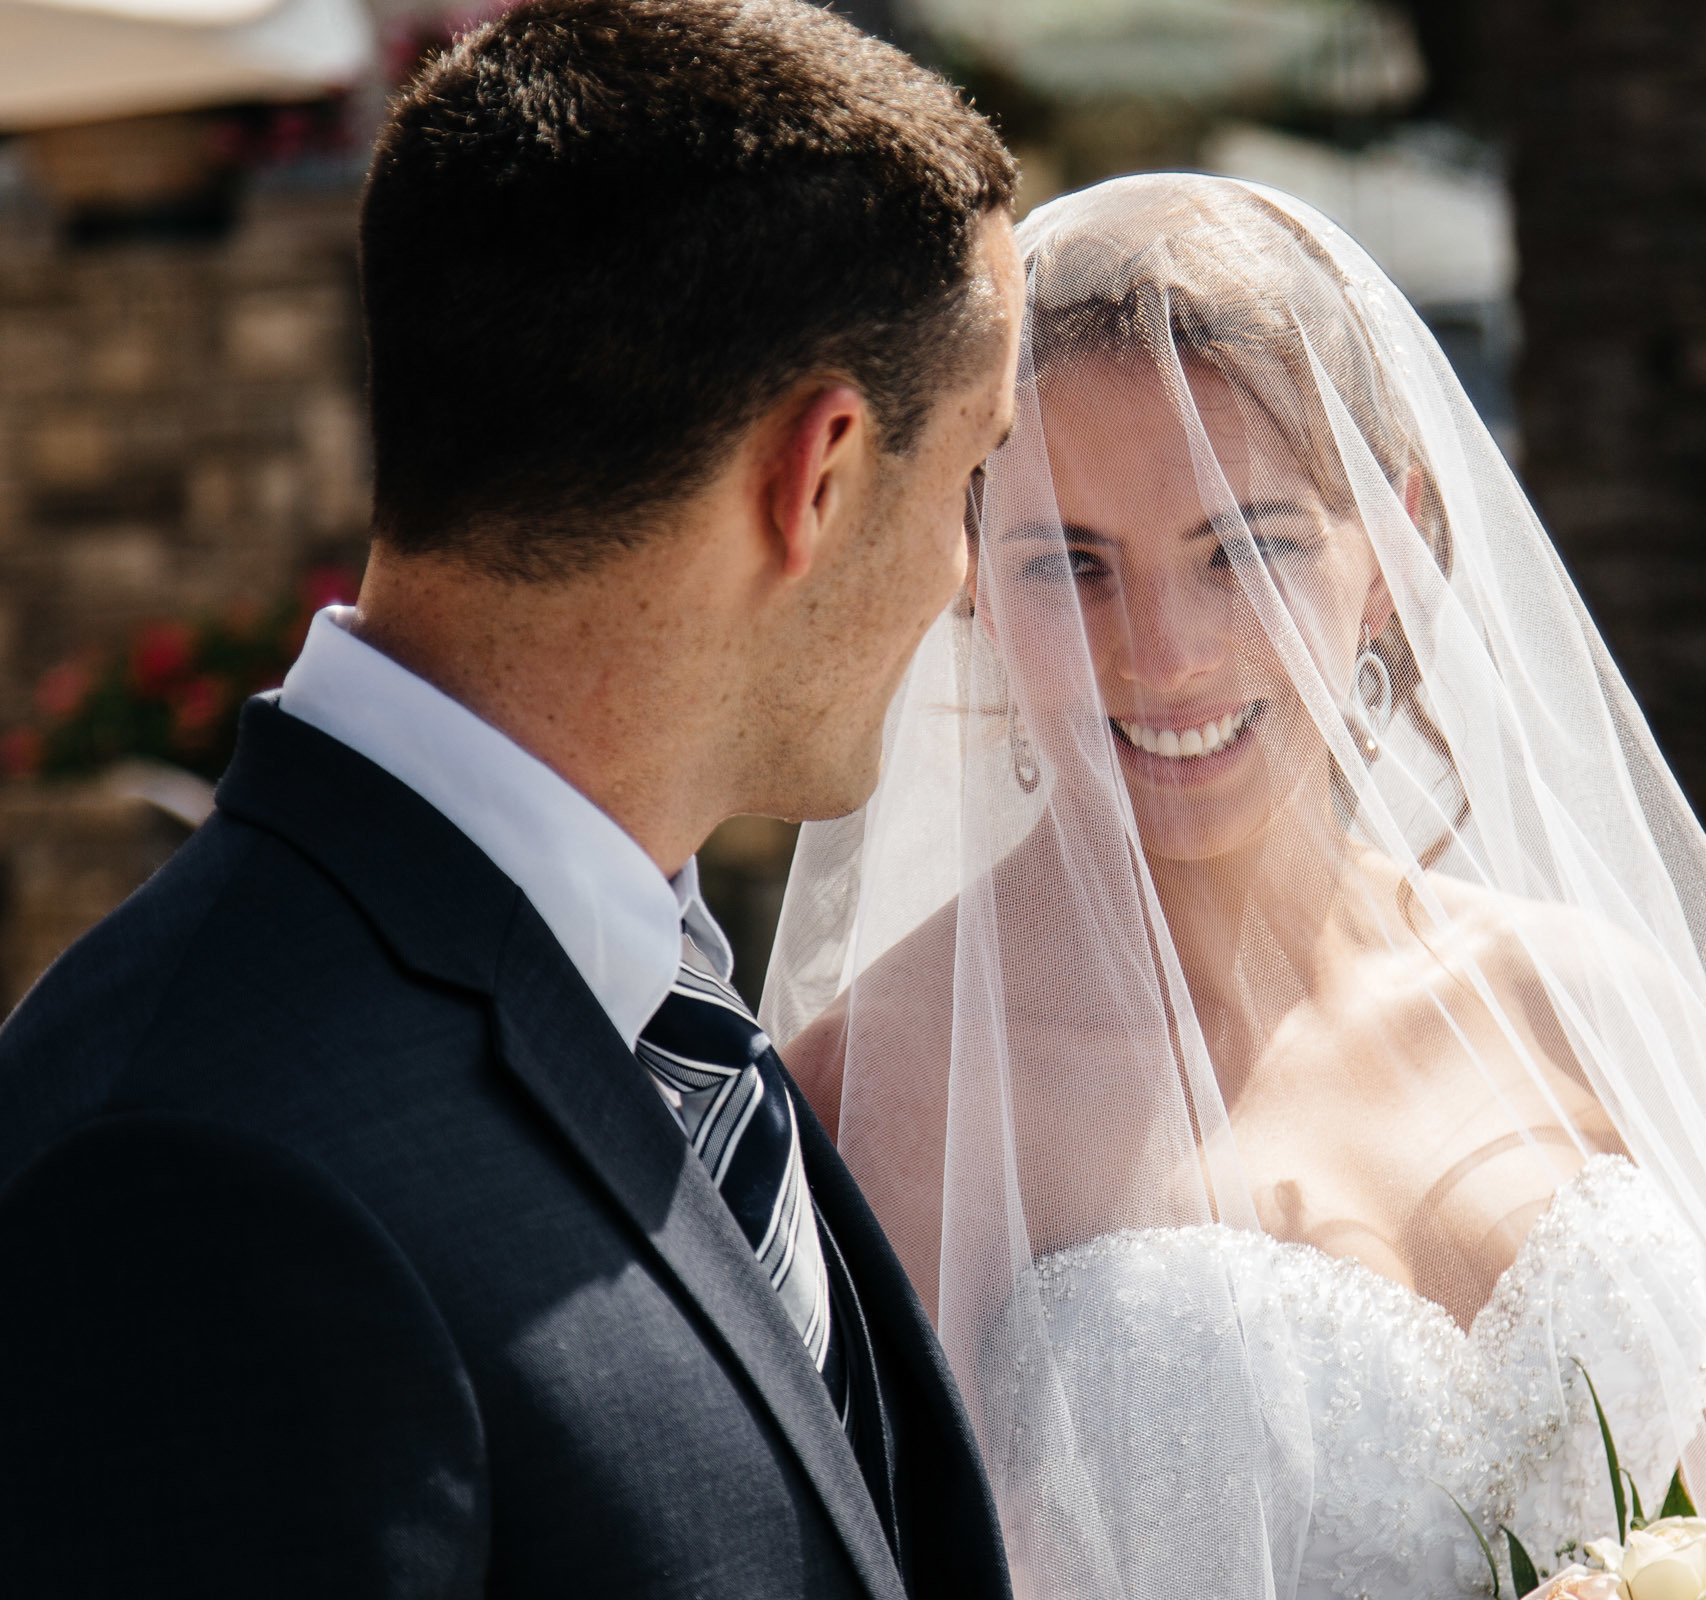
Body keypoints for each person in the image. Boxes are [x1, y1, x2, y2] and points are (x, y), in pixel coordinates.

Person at [764, 174, 1706, 1600]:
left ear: (1389, 543)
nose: (1160, 655)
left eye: (1245, 548)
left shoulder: (1585, 1003)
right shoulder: (880, 1100)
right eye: (1070, 566)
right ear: (976, 575)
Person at [0, 2, 1022, 1594]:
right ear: (814, 477)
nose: (971, 580)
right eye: (972, 476)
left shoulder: (656, 1012)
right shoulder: (192, 1173)